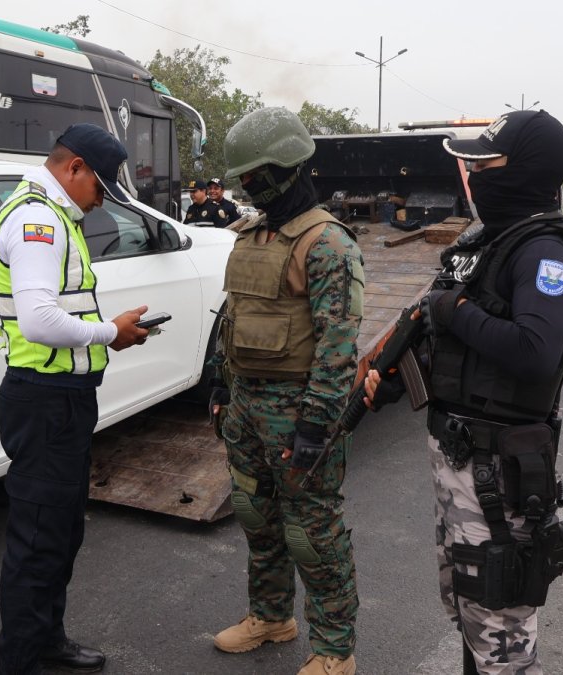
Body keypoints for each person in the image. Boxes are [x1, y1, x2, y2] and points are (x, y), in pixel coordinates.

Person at [362, 110, 563, 673]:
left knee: (502, 631)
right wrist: (397, 376)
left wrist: (453, 308)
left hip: (500, 469)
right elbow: (441, 332)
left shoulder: (547, 250)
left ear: (523, 171)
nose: (471, 177)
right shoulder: (486, 241)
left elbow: (535, 351)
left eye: (484, 164)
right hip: (460, 456)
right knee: (471, 607)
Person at [0, 123, 151, 675]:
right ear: (74, 167)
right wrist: (111, 333)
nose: (102, 200)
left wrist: (105, 333)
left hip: (61, 399)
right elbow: (38, 321)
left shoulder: (51, 213)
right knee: (38, 539)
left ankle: (46, 639)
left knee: (59, 531)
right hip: (45, 400)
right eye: (100, 186)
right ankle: (21, 661)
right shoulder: (37, 219)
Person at [209, 107, 364, 675]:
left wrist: (317, 426)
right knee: (256, 515)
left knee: (312, 532)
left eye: (253, 178)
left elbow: (337, 349)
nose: (247, 189)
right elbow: (235, 318)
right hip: (246, 405)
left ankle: (334, 649)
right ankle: (271, 617)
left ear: (286, 169)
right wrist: (222, 388)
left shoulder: (328, 244)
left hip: (299, 410)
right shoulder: (251, 235)